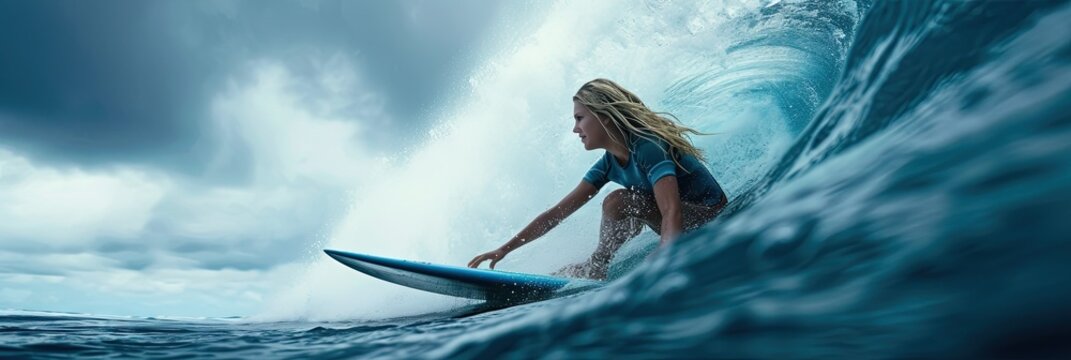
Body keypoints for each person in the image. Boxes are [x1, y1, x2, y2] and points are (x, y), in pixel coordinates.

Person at [467, 78, 728, 280]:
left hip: (710, 214)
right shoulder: (607, 165)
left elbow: (671, 211)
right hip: (677, 217)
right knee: (619, 204)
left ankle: (597, 266)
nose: (575, 129)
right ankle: (597, 265)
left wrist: (666, 256)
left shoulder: (648, 146)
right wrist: (504, 249)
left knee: (618, 201)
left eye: (580, 118)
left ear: (604, 116)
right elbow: (556, 214)